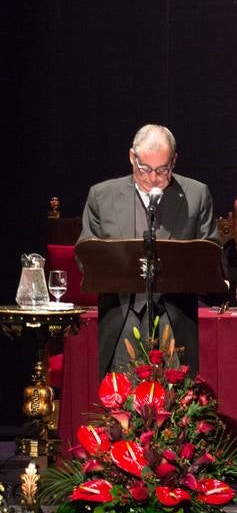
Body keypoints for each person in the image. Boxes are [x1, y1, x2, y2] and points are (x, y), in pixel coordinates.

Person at [78, 124, 219, 374]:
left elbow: (210, 254)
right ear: (132, 157)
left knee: (177, 408)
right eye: (144, 168)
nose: (153, 178)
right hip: (120, 319)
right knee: (120, 408)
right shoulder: (102, 196)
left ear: (174, 161)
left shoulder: (196, 195)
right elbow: (87, 256)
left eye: (162, 169)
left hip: (175, 321)